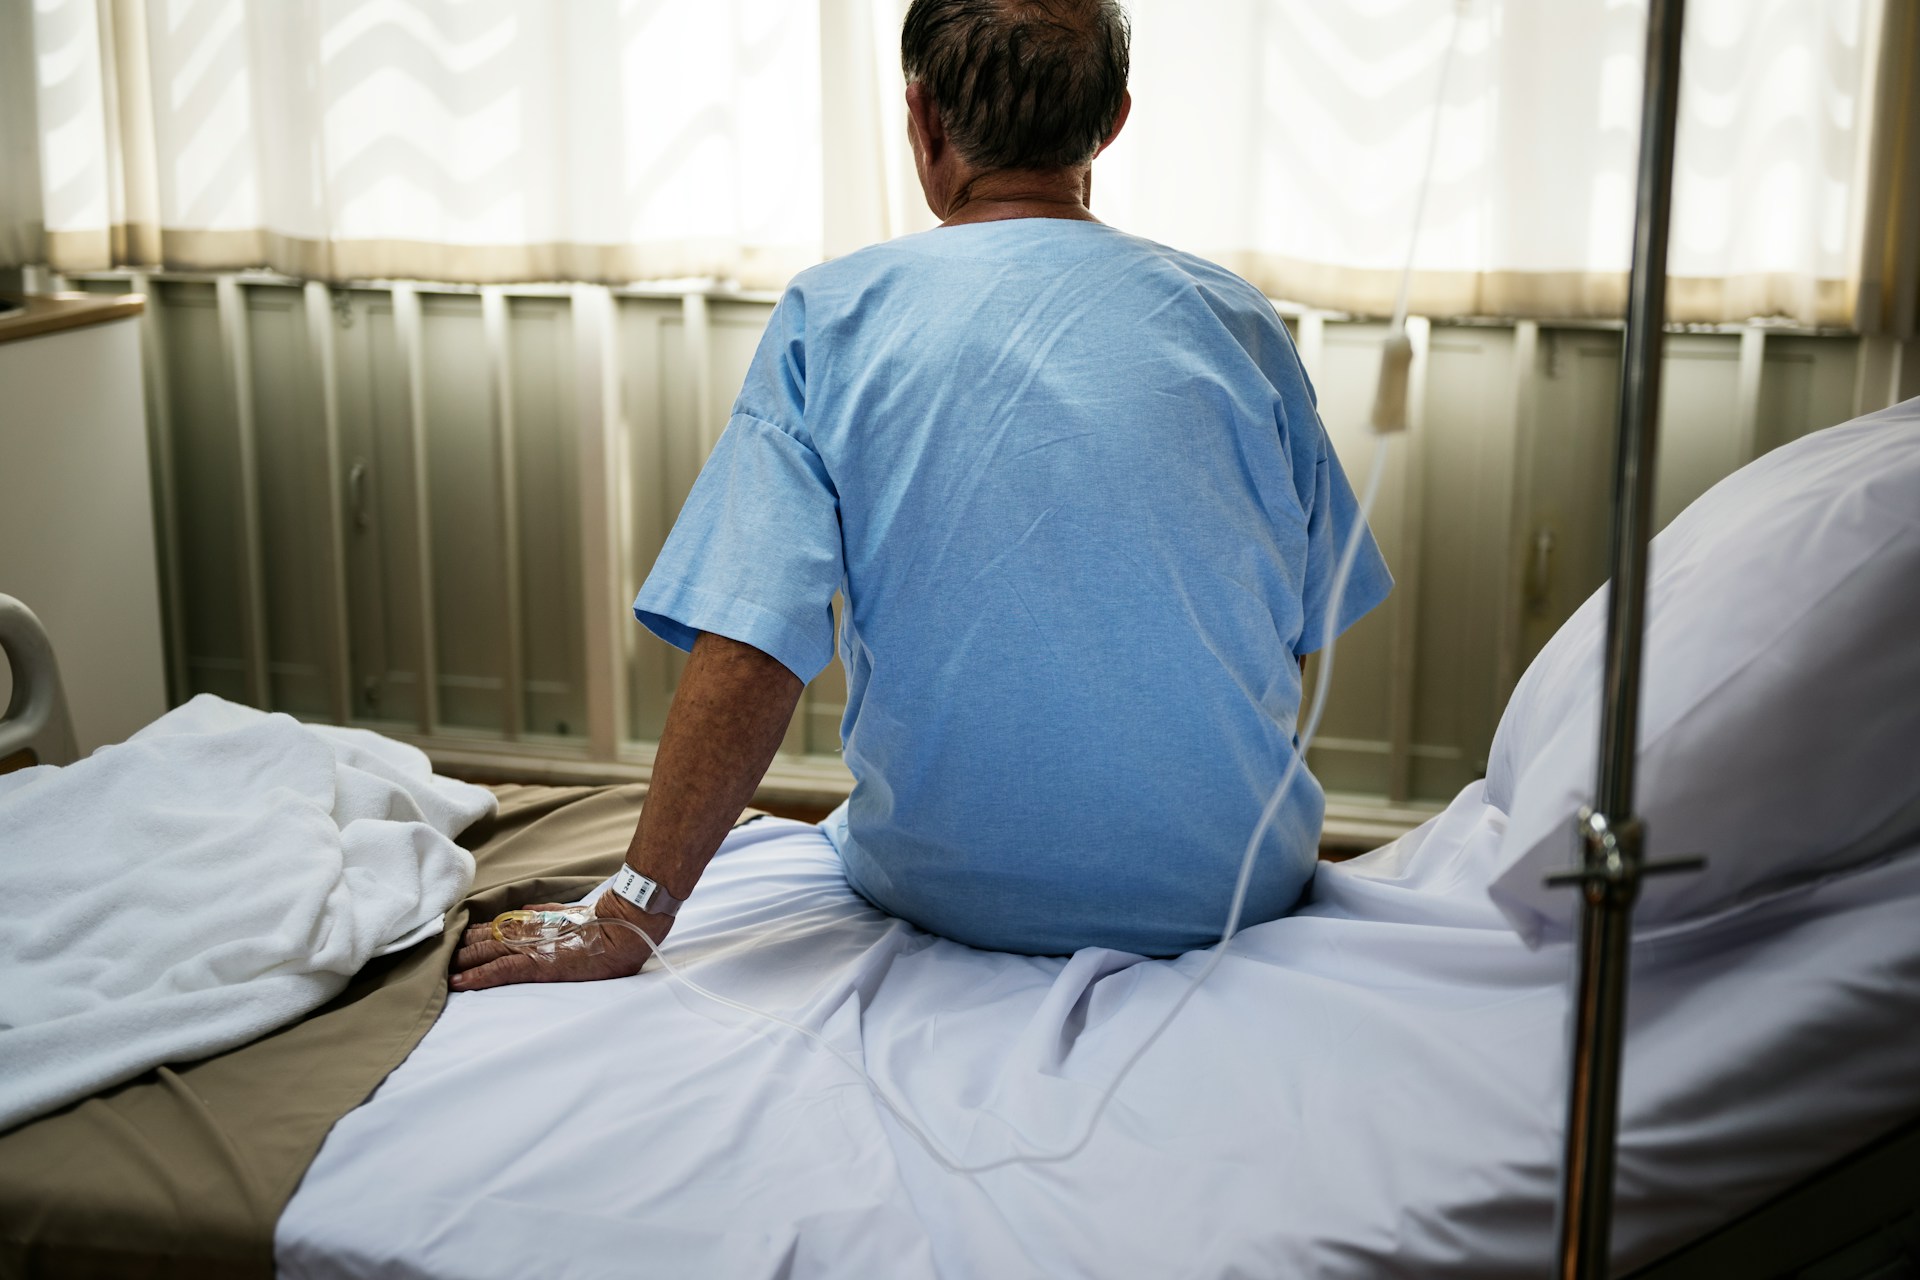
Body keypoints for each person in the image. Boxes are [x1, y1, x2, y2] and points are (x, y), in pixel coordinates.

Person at [450, 0, 1390, 990]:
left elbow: (752, 640)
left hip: (950, 891)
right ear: (1113, 120)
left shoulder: (834, 316)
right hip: (1235, 889)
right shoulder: (1235, 322)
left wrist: (631, 907)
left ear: (922, 118)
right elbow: (1308, 616)